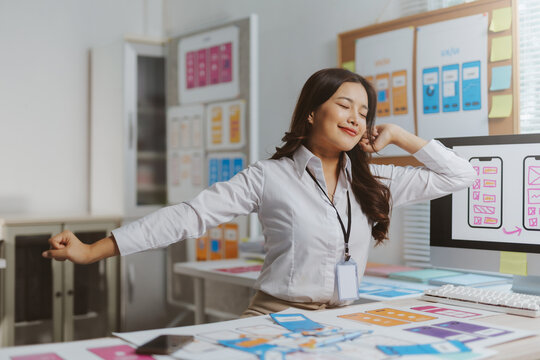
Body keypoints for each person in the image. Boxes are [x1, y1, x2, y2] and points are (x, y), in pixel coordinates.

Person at [42, 68, 476, 317]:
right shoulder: (270, 177)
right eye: (344, 105)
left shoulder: (374, 181)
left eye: (364, 112)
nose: (355, 118)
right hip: (277, 316)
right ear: (312, 111)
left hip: (344, 317)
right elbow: (188, 217)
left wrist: (399, 135)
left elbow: (461, 176)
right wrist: (94, 250)